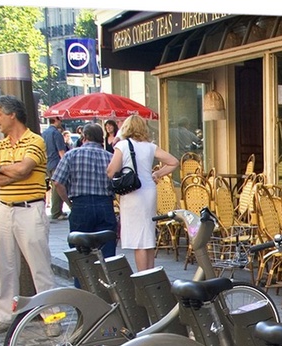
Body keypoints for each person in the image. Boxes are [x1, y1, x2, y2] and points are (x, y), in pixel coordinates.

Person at [0, 94, 57, 336]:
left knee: (40, 265)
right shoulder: (1, 145)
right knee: (5, 265)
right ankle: (4, 315)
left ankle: (52, 316)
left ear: (12, 114)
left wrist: (2, 169)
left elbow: (25, 169)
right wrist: (10, 172)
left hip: (30, 208)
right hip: (4, 208)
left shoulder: (35, 140)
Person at [108, 114, 179, 272]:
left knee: (138, 239)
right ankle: (150, 273)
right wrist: (157, 174)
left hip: (133, 192)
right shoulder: (150, 146)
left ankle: (143, 275)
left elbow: (111, 170)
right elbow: (173, 162)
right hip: (148, 191)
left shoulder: (123, 146)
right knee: (147, 235)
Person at [51, 124, 117, 286]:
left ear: (84, 137)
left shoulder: (71, 155)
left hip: (81, 204)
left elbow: (58, 182)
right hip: (104, 204)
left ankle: (82, 293)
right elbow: (117, 182)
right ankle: (108, 292)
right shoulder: (109, 157)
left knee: (80, 253)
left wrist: (69, 203)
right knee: (107, 252)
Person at [42, 116, 69, 220]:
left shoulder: (44, 133)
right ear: (56, 120)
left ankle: (56, 211)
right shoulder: (56, 133)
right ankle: (56, 212)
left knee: (53, 187)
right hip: (56, 163)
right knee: (58, 187)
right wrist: (66, 165)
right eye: (60, 120)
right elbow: (61, 152)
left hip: (47, 163)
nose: (61, 122)